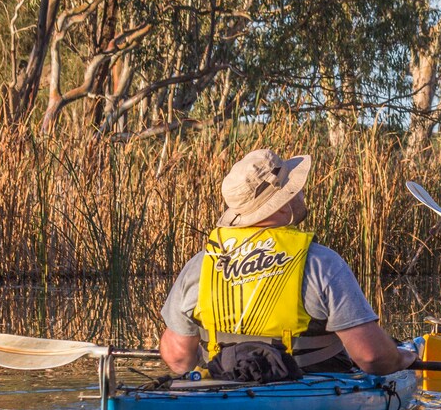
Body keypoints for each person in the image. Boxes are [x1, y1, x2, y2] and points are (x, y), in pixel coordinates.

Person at [158, 148, 416, 380]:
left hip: (223, 388)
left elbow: (178, 358)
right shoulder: (321, 263)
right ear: (280, 208)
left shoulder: (200, 264)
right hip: (309, 394)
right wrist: (404, 358)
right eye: (295, 189)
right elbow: (372, 357)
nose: (302, 193)